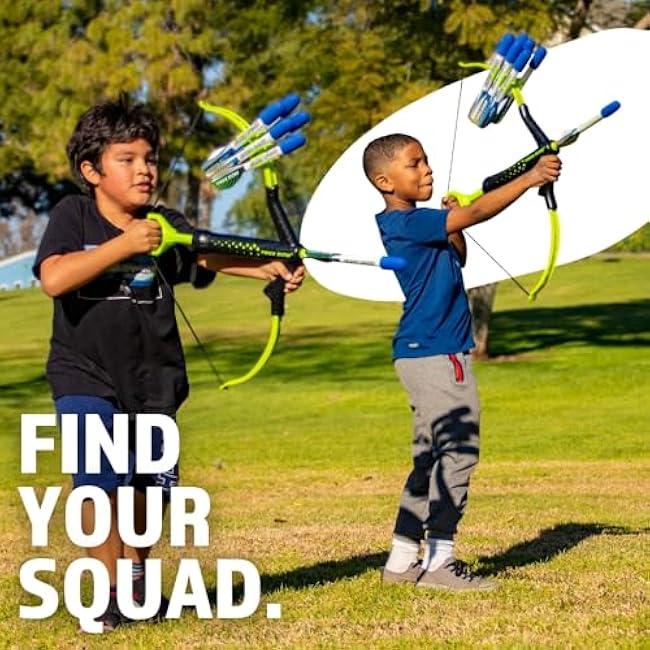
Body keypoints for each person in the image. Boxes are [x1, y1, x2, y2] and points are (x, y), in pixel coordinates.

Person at [32, 95, 304, 631]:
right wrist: (124, 245)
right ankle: (108, 592)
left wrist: (269, 266)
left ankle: (135, 577)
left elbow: (202, 253)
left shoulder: (164, 223)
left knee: (149, 489)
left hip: (154, 381)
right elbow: (55, 278)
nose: (145, 170)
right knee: (97, 479)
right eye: (127, 159)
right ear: (91, 171)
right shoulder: (74, 215)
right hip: (84, 375)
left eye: (150, 158)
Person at [362, 133, 561, 590]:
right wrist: (530, 178)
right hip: (437, 353)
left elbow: (459, 255)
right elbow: (478, 211)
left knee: (429, 456)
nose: (427, 169)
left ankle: (401, 562)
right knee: (459, 450)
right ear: (385, 181)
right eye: (414, 164)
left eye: (426, 161)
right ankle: (440, 562)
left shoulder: (417, 224)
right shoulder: (409, 222)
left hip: (423, 353)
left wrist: (453, 224)